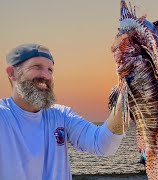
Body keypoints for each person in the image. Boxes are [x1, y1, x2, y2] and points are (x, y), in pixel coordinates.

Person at [0, 43, 126, 180]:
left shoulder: (62, 116)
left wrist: (125, 95)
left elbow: (102, 144)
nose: (46, 76)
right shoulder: (3, 116)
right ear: (12, 73)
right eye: (37, 67)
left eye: (50, 70)